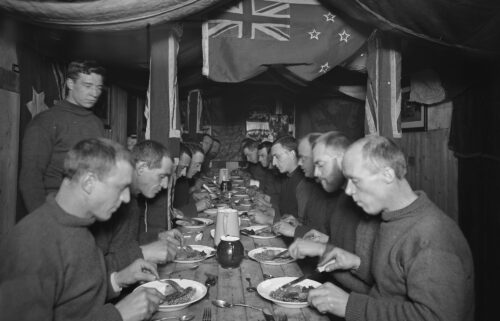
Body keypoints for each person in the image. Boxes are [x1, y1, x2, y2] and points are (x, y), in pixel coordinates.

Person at [306, 135, 474, 321]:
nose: (348, 191)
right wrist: (356, 264)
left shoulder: (433, 236)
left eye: (355, 180)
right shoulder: (392, 219)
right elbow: (393, 287)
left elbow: (436, 317)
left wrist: (349, 306)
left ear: (387, 174)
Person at [0, 138, 165, 321]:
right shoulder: (32, 243)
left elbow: (74, 302)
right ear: (88, 183)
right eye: (121, 188)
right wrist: (117, 315)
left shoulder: (81, 225)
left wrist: (117, 279)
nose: (126, 198)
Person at [19, 60, 107, 213]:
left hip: (88, 211)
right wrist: (44, 220)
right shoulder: (45, 122)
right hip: (55, 210)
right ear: (70, 84)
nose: (94, 93)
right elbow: (30, 179)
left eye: (98, 87)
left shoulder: (96, 123)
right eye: (87, 86)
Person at [91, 140, 182, 271]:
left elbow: (125, 243)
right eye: (162, 176)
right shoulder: (110, 203)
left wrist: (157, 236)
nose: (165, 185)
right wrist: (144, 253)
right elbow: (89, 270)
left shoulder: (132, 201)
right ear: (141, 168)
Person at [249, 135, 304, 224]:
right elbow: (287, 212)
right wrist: (270, 211)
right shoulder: (287, 177)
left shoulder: (303, 182)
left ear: (292, 154)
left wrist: (268, 219)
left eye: (277, 157)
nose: (273, 163)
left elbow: (303, 224)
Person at [173, 143, 210, 217]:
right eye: (197, 165)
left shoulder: (183, 181)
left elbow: (180, 202)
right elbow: (170, 215)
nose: (199, 169)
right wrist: (195, 207)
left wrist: (193, 197)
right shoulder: (177, 180)